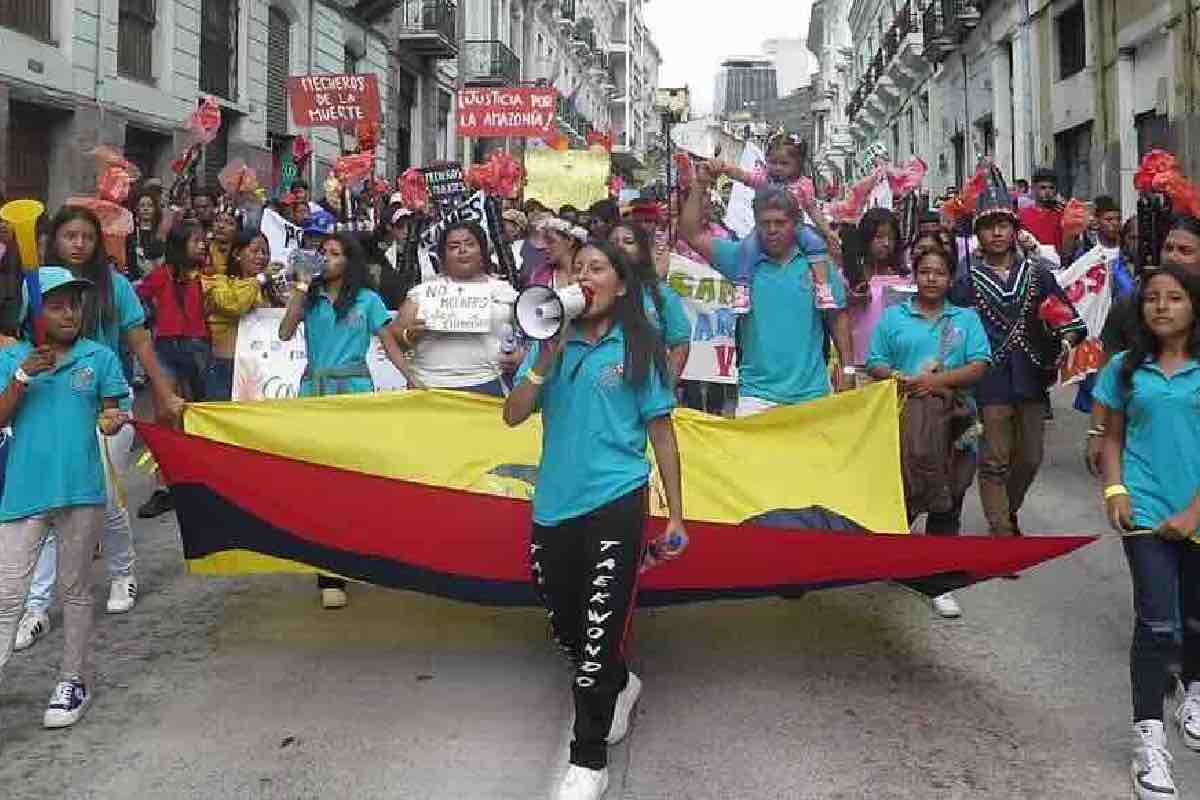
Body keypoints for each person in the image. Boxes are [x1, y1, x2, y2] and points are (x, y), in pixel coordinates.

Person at [503, 239, 687, 800]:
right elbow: (512, 415)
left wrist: (676, 514)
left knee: (600, 627)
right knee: (565, 619)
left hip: (618, 497)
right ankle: (620, 682)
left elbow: (662, 434)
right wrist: (543, 359)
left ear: (621, 285)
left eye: (598, 268)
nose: (585, 276)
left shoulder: (640, 347)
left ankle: (588, 760)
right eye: (577, 267)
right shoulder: (548, 342)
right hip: (555, 503)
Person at [15, 208, 183, 650]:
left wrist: (164, 392)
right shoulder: (32, 284)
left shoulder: (115, 286)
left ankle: (122, 572)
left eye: (87, 237)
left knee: (104, 496)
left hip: (106, 402)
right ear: (54, 240)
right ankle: (35, 607)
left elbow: (139, 341)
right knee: (45, 506)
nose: (79, 244)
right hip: (49, 404)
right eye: (69, 235)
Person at [0, 266, 131, 730]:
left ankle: (73, 680)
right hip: (24, 493)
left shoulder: (99, 356)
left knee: (75, 590)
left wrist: (112, 419)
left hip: (80, 491)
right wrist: (22, 376)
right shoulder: (11, 357)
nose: (69, 313)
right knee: (7, 593)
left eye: (74, 304)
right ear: (33, 313)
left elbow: (113, 409)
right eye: (55, 306)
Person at [1094, 264, 1200, 800]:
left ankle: (1195, 694)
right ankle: (1148, 741)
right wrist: (1116, 490)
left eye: (1174, 298)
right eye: (1152, 298)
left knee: (1195, 617)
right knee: (1157, 622)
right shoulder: (1125, 367)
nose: (1161, 306)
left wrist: (1194, 513)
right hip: (1146, 510)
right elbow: (1111, 436)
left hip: (1196, 508)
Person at [279, 232, 415, 610]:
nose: (326, 258)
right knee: (318, 483)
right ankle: (328, 573)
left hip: (354, 395)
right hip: (315, 394)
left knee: (353, 479)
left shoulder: (368, 300)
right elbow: (284, 332)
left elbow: (388, 342)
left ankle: (358, 555)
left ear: (350, 261)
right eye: (322, 252)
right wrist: (300, 287)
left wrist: (412, 378)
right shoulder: (310, 296)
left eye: (335, 253)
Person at [948, 183, 1084, 538]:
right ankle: (1001, 531)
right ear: (977, 232)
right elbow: (951, 330)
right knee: (994, 459)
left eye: (1003, 225)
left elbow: (1069, 319)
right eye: (988, 226)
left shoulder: (1037, 273)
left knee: (1030, 457)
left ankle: (1006, 512)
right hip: (989, 379)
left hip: (1032, 374)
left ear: (1014, 229)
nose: (996, 233)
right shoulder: (965, 279)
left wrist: (1065, 341)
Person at [866, 242, 991, 618]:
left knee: (950, 496)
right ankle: (895, 561)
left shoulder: (965, 319)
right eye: (924, 272)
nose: (931, 279)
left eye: (939, 273)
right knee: (902, 493)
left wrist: (936, 383)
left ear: (950, 278)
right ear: (914, 276)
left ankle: (939, 582)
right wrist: (899, 377)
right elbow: (874, 361)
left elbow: (979, 365)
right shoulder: (894, 317)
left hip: (957, 423)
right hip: (905, 421)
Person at [681, 183, 853, 417]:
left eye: (780, 223)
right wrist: (699, 183)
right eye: (765, 223)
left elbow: (838, 318)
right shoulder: (739, 259)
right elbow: (691, 233)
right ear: (756, 224)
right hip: (756, 397)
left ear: (796, 224)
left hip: (812, 394)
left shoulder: (818, 265)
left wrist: (848, 368)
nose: (772, 230)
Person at [709, 132, 838, 312]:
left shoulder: (804, 185)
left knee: (816, 244)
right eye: (773, 162)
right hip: (764, 230)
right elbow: (743, 176)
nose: (777, 168)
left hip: (798, 228)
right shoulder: (764, 180)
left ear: (798, 165)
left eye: (784, 163)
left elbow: (812, 209)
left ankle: (823, 288)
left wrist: (827, 231)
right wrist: (724, 167)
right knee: (747, 247)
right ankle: (742, 289)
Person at [392, 221, 519, 395]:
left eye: (470, 244)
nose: (462, 250)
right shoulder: (422, 293)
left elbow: (529, 337)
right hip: (429, 386)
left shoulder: (504, 291)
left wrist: (520, 355)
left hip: (490, 384)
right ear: (443, 256)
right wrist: (409, 335)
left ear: (482, 252)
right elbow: (394, 336)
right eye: (454, 246)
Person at [202, 230, 284, 400]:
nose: (261, 256)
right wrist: (261, 279)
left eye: (265, 252)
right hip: (225, 366)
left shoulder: (271, 290)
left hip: (263, 366)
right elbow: (236, 305)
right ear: (237, 254)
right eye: (255, 251)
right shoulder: (219, 282)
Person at [136, 222, 211, 402]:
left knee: (197, 400)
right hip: (166, 343)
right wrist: (152, 317)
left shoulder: (206, 275)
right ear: (180, 243)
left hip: (195, 341)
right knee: (168, 399)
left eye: (203, 241)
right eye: (196, 241)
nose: (202, 245)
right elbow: (139, 294)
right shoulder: (163, 274)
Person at [609, 222, 691, 379]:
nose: (619, 246)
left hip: (646, 387)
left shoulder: (661, 294)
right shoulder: (596, 292)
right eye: (613, 242)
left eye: (628, 241)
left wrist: (666, 387)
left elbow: (680, 345)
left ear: (642, 251)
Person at [845, 207, 911, 369]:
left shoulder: (904, 278)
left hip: (895, 365)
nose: (886, 244)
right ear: (866, 238)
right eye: (879, 237)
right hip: (858, 361)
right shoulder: (849, 277)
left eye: (891, 238)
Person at [1018, 167, 1080, 260]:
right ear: (1034, 188)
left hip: (1060, 264)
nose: (1047, 192)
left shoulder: (1064, 214)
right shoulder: (1022, 215)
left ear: (1056, 190)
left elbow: (1071, 248)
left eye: (1051, 188)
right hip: (1031, 264)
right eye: (1043, 188)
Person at [530, 218, 587, 289]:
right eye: (543, 242)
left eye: (551, 241)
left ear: (570, 241)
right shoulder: (539, 275)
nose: (544, 246)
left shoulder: (590, 273)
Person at [125, 189, 164, 282]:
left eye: (150, 205)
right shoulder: (131, 236)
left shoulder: (161, 234)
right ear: (136, 209)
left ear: (155, 209)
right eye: (142, 205)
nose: (146, 209)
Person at [206, 206, 239, 276]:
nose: (221, 226)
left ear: (238, 230)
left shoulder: (241, 253)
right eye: (217, 220)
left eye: (229, 223)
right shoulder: (204, 249)